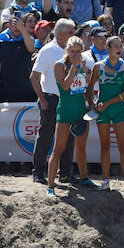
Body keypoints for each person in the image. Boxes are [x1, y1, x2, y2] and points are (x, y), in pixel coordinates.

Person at [45, 37, 94, 195]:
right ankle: (51, 186)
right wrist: (74, 67)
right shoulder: (59, 65)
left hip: (80, 110)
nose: (75, 54)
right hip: (65, 110)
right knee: (58, 149)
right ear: (67, 50)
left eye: (79, 51)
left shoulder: (83, 64)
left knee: (81, 148)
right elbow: (65, 86)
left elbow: (85, 88)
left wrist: (86, 73)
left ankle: (84, 177)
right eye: (72, 51)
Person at [91, 34, 124, 193]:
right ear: (108, 49)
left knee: (123, 147)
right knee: (105, 147)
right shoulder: (98, 66)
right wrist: (92, 105)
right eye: (116, 46)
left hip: (117, 110)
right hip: (102, 111)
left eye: (120, 46)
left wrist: (106, 103)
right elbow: (89, 88)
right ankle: (106, 181)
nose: (119, 49)